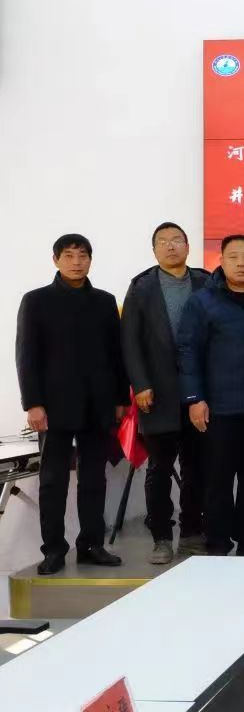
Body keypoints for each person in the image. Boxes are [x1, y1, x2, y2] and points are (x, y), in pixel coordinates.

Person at [16, 234, 128, 575]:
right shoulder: (36, 301)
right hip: (54, 407)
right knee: (53, 481)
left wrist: (120, 399)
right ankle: (53, 549)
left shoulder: (105, 301)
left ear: (90, 260)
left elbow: (116, 355)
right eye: (68, 255)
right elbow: (27, 356)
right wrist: (33, 403)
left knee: (94, 478)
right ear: (55, 260)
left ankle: (92, 545)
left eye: (82, 256)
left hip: (98, 404)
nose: (76, 262)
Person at [177, 234, 244, 556]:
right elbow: (188, 352)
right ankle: (218, 542)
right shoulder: (202, 302)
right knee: (218, 482)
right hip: (218, 410)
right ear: (221, 261)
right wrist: (195, 399)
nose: (240, 263)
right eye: (233, 257)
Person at [121, 222, 211, 564]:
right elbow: (130, 341)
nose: (170, 246)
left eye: (176, 240)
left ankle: (191, 534)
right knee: (159, 468)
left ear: (188, 246)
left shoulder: (205, 282)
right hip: (155, 394)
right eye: (163, 242)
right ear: (154, 250)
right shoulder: (141, 287)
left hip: (198, 394)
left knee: (196, 468)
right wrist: (140, 384)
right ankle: (161, 538)